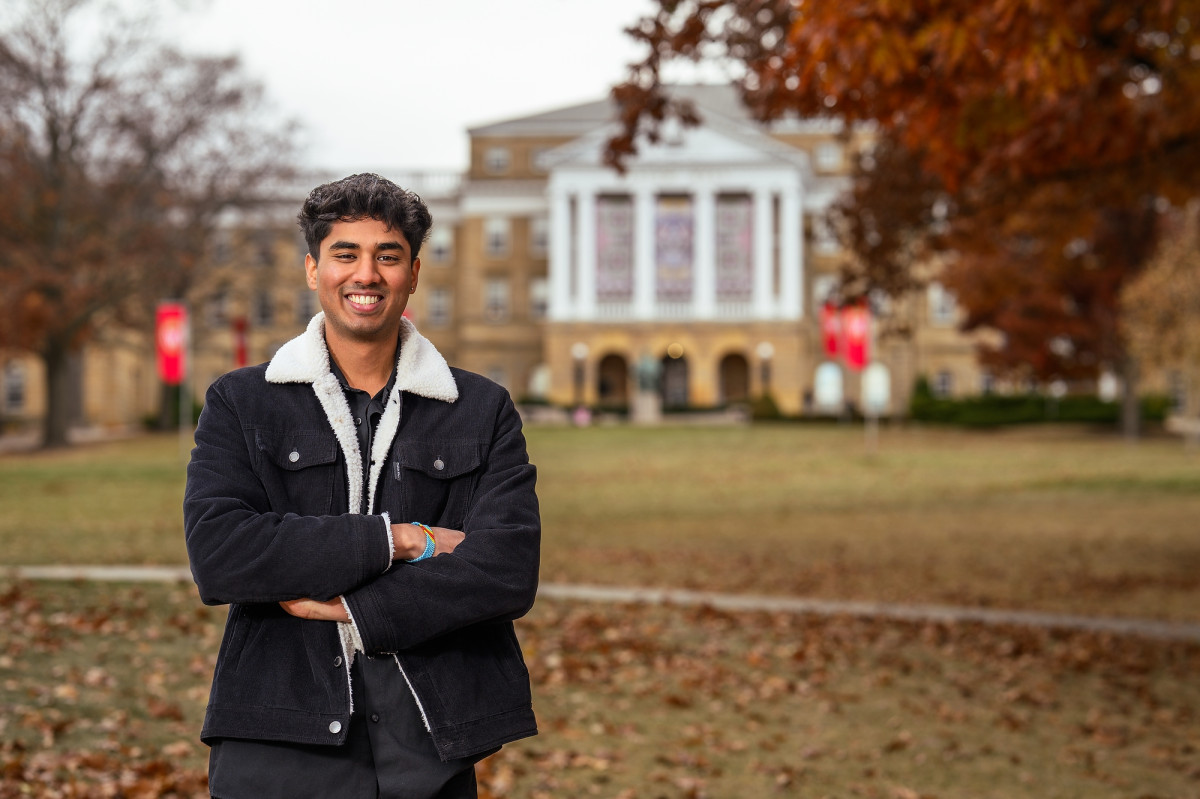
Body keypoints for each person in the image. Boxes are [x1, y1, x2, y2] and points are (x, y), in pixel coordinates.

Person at [183, 173, 540, 798]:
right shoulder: (242, 402)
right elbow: (220, 554)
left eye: (388, 256)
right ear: (312, 268)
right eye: (345, 253)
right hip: (275, 729)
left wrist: (355, 607)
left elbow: (507, 568)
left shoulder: (480, 409)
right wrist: (399, 540)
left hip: (429, 739)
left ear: (415, 273)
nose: (366, 275)